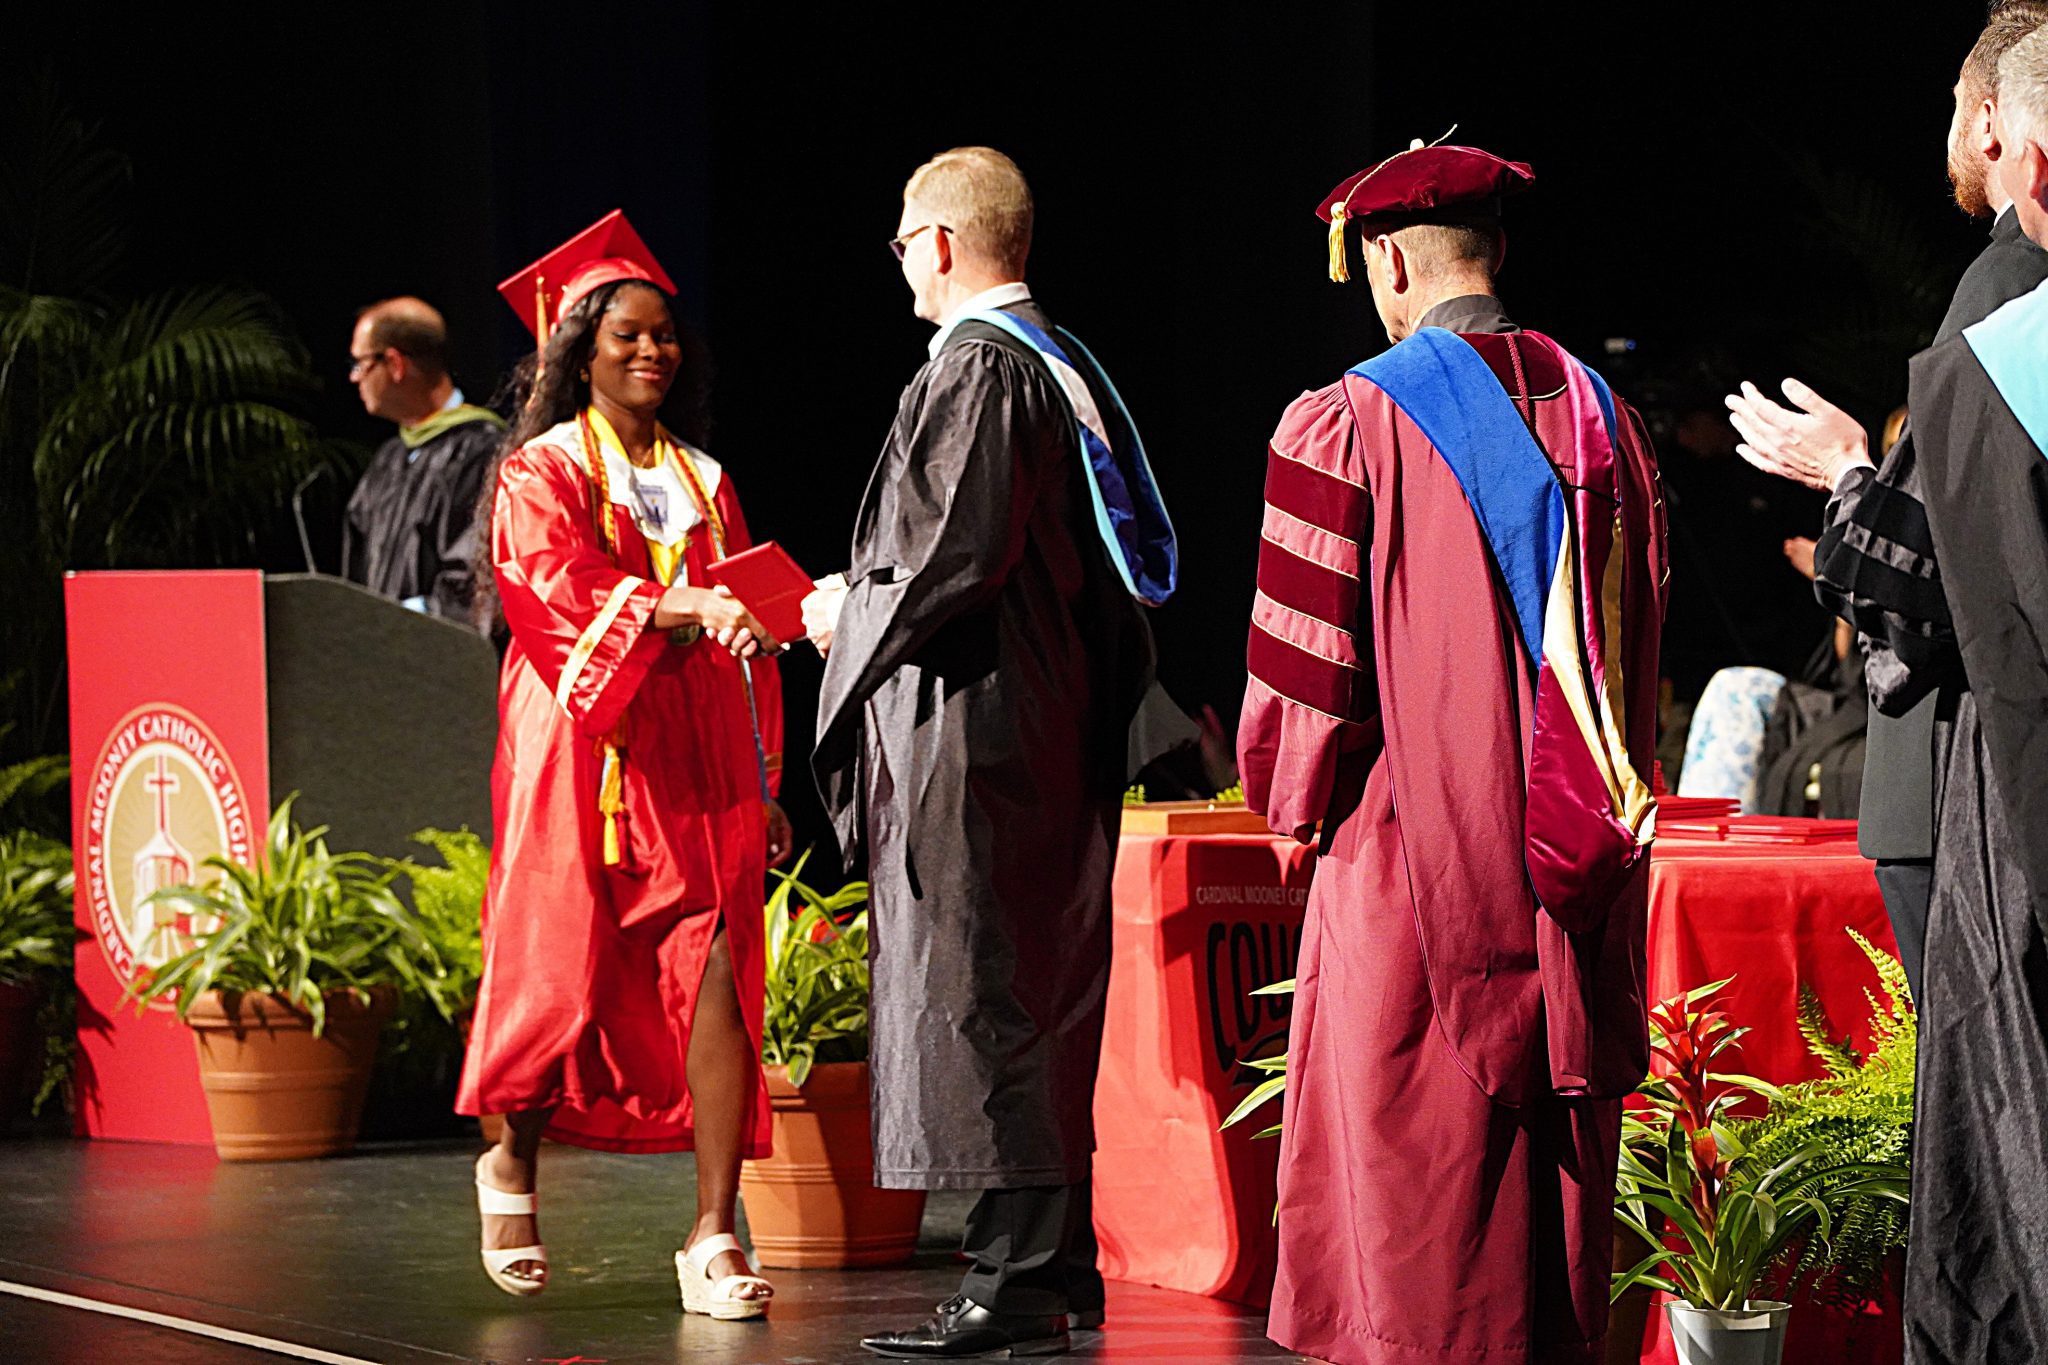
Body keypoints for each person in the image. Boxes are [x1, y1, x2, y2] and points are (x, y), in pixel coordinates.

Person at [1237, 140, 1666, 1365]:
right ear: (1497, 250)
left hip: (1408, 867)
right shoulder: (1609, 423)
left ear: (1384, 261)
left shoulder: (1347, 420)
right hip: (1575, 864)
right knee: (1552, 1200)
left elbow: (1305, 692)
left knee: (1419, 1186)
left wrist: (1290, 804)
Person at [802, 147, 1172, 1360]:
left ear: (941, 243)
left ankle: (1011, 1279)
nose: (900, 261)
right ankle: (1052, 1271)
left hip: (981, 729)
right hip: (1044, 722)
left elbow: (943, 557)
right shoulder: (1059, 362)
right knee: (1032, 988)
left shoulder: (978, 368)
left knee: (989, 992)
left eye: (903, 241)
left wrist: (841, 611)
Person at [1731, 28, 2048, 1360]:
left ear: (1997, 130)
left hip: (1982, 791)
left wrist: (1846, 475)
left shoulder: (2008, 296)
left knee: (1999, 1121)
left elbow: (1926, 579)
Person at [456, 211, 791, 1318]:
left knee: (716, 968)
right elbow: (548, 591)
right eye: (627, 336)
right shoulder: (540, 470)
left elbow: (741, 617)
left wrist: (763, 775)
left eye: (665, 335)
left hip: (696, 745)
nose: (653, 351)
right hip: (578, 740)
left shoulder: (705, 479)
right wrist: (675, 605)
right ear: (578, 351)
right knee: (558, 961)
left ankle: (713, 1231)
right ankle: (511, 1162)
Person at [341, 297, 504, 621]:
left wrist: (409, 619)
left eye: (360, 363)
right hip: (378, 646)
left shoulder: (482, 450)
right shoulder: (388, 459)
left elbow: (476, 578)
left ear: (395, 364)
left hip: (441, 646)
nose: (355, 377)